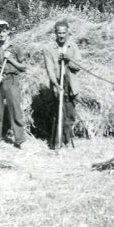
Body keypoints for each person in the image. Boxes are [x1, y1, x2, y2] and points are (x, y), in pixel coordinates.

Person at [0, 20, 28, 148]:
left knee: (15, 110)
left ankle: (19, 140)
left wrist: (10, 59)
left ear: (8, 32)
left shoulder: (16, 48)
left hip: (12, 80)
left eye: (3, 31)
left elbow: (23, 67)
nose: (1, 34)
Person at [43, 20, 81, 148]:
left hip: (71, 84)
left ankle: (67, 139)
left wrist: (68, 60)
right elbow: (49, 69)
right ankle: (57, 142)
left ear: (67, 33)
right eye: (59, 33)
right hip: (57, 83)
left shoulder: (73, 47)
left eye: (64, 33)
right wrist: (55, 85)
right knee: (58, 113)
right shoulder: (49, 48)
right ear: (55, 33)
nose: (62, 35)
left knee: (69, 113)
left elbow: (78, 67)